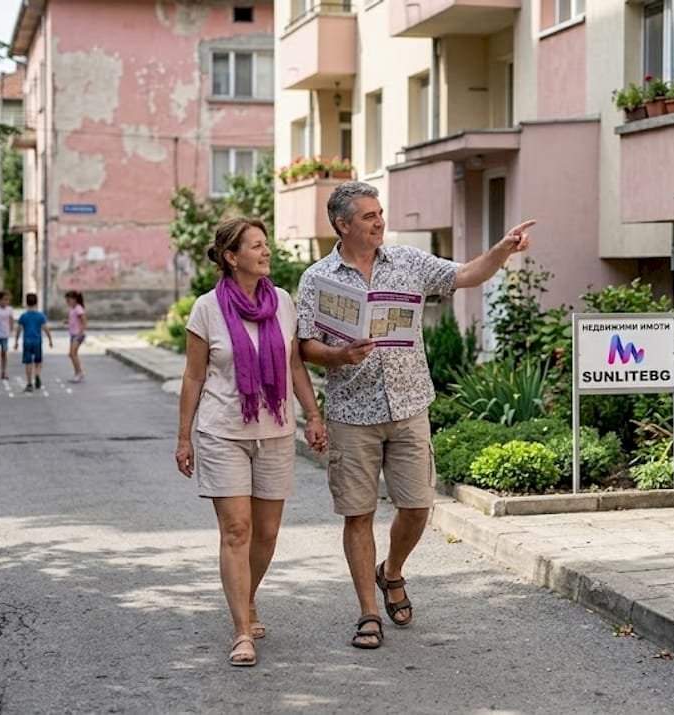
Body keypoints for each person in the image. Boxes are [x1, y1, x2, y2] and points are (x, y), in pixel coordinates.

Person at [296, 181, 534, 649]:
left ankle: (393, 570)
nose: (379, 221)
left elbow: (466, 274)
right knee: (358, 514)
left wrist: (503, 249)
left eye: (380, 212)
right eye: (368, 216)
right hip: (352, 411)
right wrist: (340, 355)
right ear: (343, 225)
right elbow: (304, 344)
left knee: (418, 505)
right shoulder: (317, 278)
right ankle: (368, 612)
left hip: (409, 405)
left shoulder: (407, 261)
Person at [175, 217, 327, 668]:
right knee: (237, 530)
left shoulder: (282, 301)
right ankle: (241, 629)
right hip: (223, 430)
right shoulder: (206, 309)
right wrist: (184, 437)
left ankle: (248, 596)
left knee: (267, 533)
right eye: (256, 246)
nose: (266, 252)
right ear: (230, 256)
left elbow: (296, 366)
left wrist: (313, 415)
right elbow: (194, 375)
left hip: (276, 431)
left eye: (267, 244)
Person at [13, 293, 53, 393]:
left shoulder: (23, 316)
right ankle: (38, 375)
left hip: (27, 341)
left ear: (26, 303)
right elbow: (45, 328)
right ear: (36, 303)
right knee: (38, 361)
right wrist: (50, 339)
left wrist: (16, 341)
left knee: (28, 362)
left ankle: (29, 383)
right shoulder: (40, 316)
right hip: (37, 341)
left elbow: (19, 329)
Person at [63, 290, 88, 382]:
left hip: (78, 335)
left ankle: (79, 373)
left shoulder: (78, 308)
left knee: (73, 354)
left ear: (74, 300)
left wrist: (81, 332)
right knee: (72, 354)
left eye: (68, 300)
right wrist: (67, 321)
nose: (67, 303)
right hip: (73, 334)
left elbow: (84, 320)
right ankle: (78, 372)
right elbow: (74, 321)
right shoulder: (72, 309)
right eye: (67, 301)